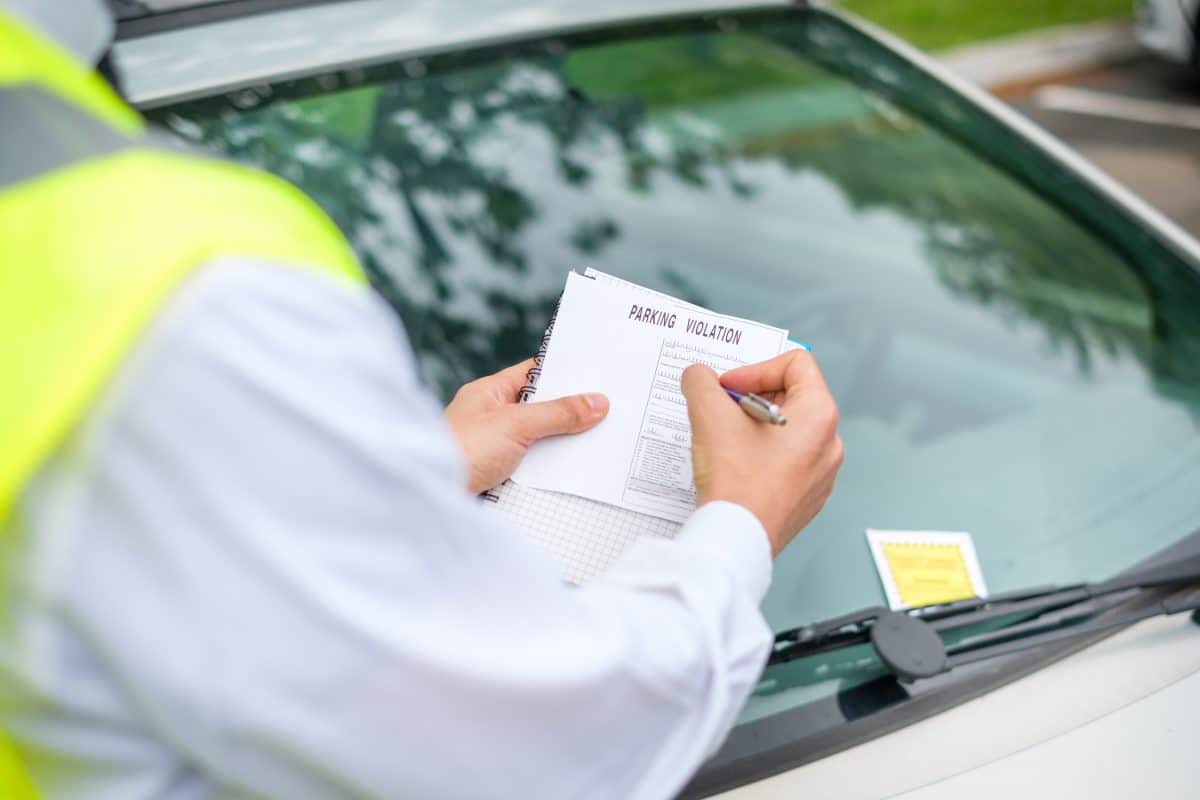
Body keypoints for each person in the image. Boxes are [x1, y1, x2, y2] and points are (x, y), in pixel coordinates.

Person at [0, 1, 844, 798]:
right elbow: (526, 754)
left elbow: (144, 570)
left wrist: (419, 475)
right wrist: (742, 524)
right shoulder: (170, 284)